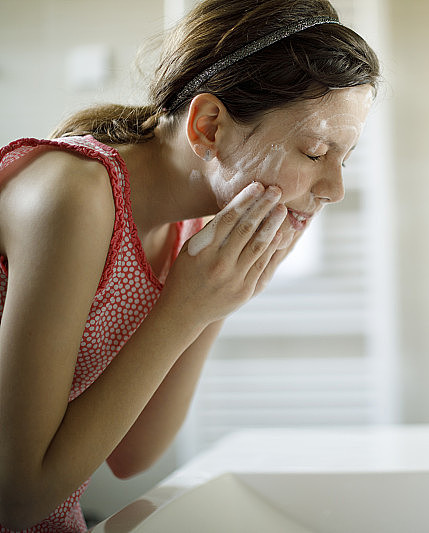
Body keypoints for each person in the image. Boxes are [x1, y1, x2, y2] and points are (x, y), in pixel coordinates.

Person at [0, 0, 379, 530]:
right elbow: (16, 497)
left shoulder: (192, 227)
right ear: (208, 126)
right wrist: (183, 308)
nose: (335, 189)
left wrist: (216, 300)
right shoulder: (75, 198)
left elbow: (133, 456)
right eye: (315, 152)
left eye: (345, 157)